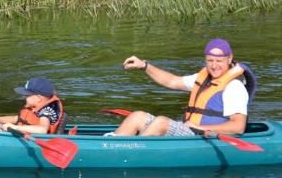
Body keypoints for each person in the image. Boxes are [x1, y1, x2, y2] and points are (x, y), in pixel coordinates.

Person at [108, 38, 255, 137]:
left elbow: (238, 127)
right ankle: (109, 146)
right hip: (191, 130)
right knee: (137, 116)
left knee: (161, 122)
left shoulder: (234, 87)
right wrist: (144, 66)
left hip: (204, 136)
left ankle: (127, 152)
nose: (214, 65)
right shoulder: (203, 78)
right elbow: (172, 81)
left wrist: (202, 128)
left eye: (219, 60)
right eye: (210, 60)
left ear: (229, 59)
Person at [0, 77, 66, 134]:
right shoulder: (34, 107)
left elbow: (42, 130)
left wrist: (16, 127)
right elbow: (17, 119)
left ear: (38, 98)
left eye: (27, 95)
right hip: (20, 135)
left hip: (27, 139)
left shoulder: (47, 111)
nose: (24, 97)